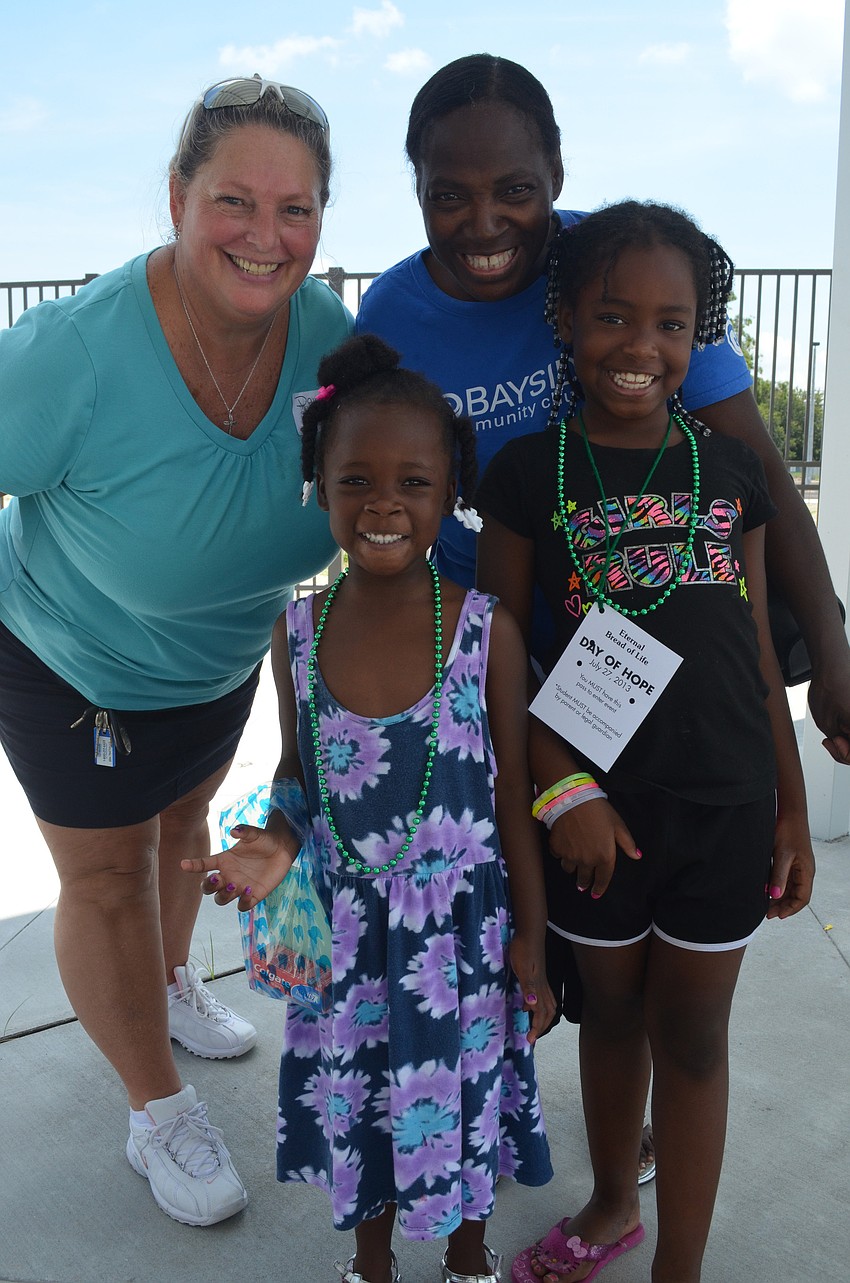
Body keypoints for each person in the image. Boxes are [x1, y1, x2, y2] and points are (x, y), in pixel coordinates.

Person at [0, 75, 352, 1225]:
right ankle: (156, 1108)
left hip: (214, 664)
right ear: (177, 196)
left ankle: (166, 981)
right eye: (234, 202)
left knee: (183, 833)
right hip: (70, 662)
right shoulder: (72, 351)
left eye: (294, 209)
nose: (266, 237)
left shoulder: (331, 340)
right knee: (104, 878)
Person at [475, 200, 816, 1283]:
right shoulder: (527, 474)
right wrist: (561, 787)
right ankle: (615, 1197)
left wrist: (793, 805)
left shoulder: (733, 469)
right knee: (610, 1014)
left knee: (697, 1037)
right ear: (566, 320)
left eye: (671, 323)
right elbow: (500, 658)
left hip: (724, 803)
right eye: (614, 315)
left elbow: (758, 645)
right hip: (594, 820)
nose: (642, 345)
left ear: (697, 337)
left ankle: (682, 1265)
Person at [182, 333, 555, 1283]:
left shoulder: (485, 630)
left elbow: (512, 803)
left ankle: (470, 1256)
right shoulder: (294, 635)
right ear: (320, 483)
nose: (384, 503)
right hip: (349, 945)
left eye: (414, 482)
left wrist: (534, 947)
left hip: (460, 947)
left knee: (462, 1105)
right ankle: (372, 1262)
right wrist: (270, 842)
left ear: (449, 490)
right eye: (355, 480)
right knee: (366, 1110)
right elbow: (297, 780)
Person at [356, 52, 850, 763]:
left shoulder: (630, 275)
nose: (486, 223)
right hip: (497, 649)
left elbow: (761, 473)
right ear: (419, 189)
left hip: (653, 643)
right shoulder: (392, 319)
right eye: (449, 196)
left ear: (556, 174)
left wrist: (833, 655)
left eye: (517, 189)